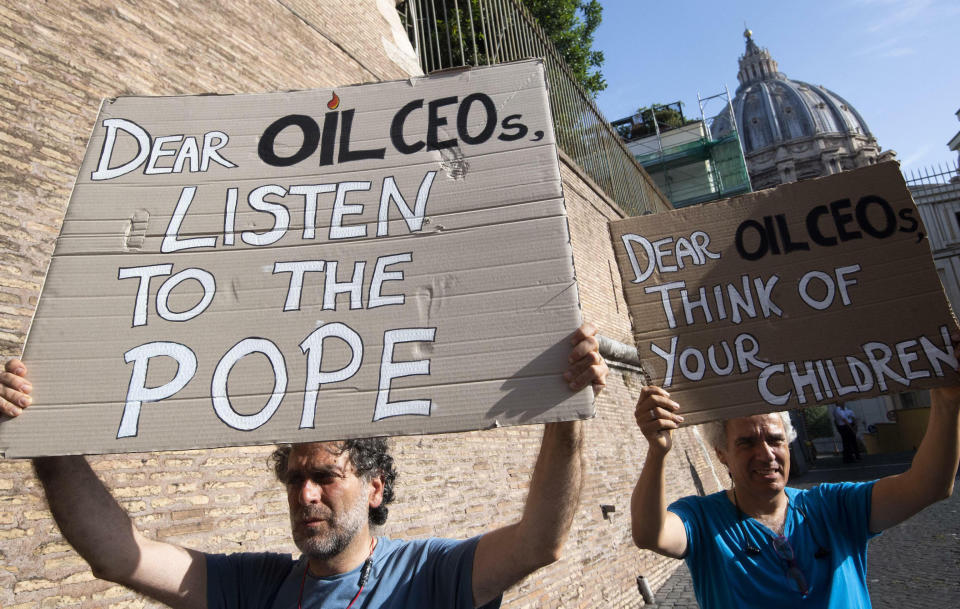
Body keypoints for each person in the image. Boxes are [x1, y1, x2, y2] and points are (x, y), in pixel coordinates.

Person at [0, 323, 608, 609]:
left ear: (375, 488)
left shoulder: (430, 574)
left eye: (324, 475)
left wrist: (566, 415)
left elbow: (539, 543)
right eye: (294, 478)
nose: (306, 493)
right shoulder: (256, 587)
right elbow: (116, 555)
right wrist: (49, 444)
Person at [629, 360, 960, 608]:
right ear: (722, 455)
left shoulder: (835, 507)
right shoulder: (702, 520)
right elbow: (650, 533)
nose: (766, 454)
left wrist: (947, 401)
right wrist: (658, 452)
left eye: (775, 440)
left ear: (789, 443)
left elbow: (928, 486)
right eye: (746, 443)